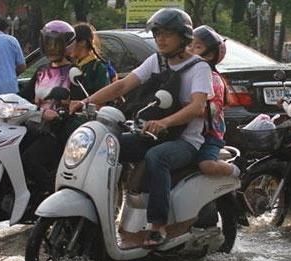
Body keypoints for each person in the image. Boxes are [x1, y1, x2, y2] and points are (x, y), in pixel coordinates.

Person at [69, 8, 213, 248]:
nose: (161, 39)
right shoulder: (156, 60)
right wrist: (85, 102)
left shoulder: (199, 68)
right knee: (107, 147)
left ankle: (158, 226)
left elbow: (198, 107)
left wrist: (165, 122)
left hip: (186, 141)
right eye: (157, 34)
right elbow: (122, 86)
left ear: (183, 37)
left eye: (167, 34)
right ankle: (105, 210)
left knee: (157, 157)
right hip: (150, 132)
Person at [19, 20, 85, 198]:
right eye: (48, 42)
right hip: (34, 124)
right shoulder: (41, 70)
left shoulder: (73, 72)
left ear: (67, 45)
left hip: (55, 130)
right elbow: (22, 96)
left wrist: (62, 107)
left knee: (30, 160)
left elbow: (78, 102)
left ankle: (52, 194)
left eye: (56, 43)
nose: (52, 47)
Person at [189, 25, 240, 177]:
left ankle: (237, 171)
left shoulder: (213, 79)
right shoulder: (188, 73)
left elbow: (205, 109)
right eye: (189, 45)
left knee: (207, 165)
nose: (190, 50)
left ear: (210, 55)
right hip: (190, 132)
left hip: (210, 135)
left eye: (197, 47)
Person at [70, 23, 111, 99]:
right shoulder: (72, 66)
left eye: (71, 42)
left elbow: (102, 98)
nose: (68, 46)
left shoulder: (98, 68)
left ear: (83, 42)